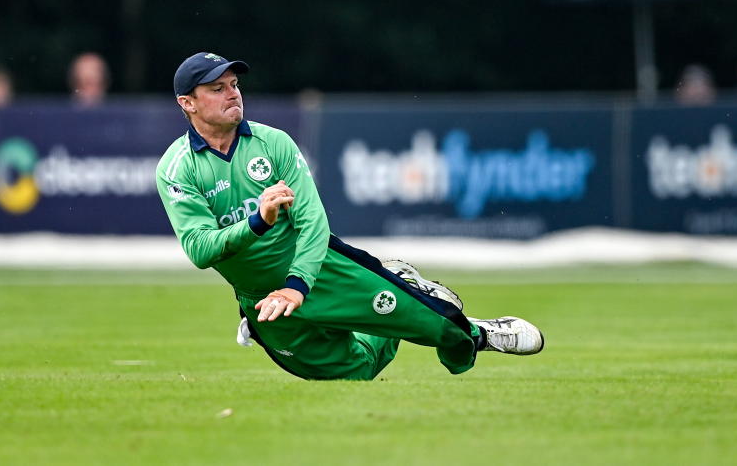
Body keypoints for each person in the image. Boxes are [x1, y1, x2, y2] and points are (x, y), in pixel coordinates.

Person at [155, 52, 543, 381]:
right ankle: (401, 287)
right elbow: (201, 250)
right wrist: (258, 220)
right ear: (187, 103)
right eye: (217, 88)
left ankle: (480, 334)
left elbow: (313, 223)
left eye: (234, 84)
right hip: (263, 300)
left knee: (438, 326)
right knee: (354, 372)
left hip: (320, 268)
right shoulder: (177, 168)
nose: (232, 94)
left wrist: (297, 284)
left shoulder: (273, 143)